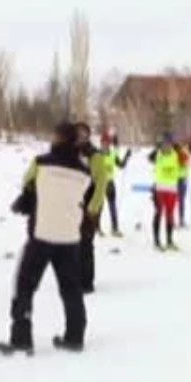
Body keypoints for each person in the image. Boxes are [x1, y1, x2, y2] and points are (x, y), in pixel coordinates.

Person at [0, 122, 95, 355]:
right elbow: (86, 194)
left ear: (57, 139)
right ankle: (75, 336)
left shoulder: (41, 163)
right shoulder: (84, 171)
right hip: (70, 237)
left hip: (41, 234)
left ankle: (21, 338)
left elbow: (27, 182)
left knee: (24, 287)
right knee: (71, 289)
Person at [73, 123, 110, 294]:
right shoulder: (69, 153)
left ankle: (87, 282)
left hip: (91, 201)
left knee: (86, 242)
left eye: (83, 134)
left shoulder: (95, 156)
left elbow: (101, 183)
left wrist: (93, 207)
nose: (80, 137)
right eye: (77, 134)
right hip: (74, 203)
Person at [147, 134, 183, 251]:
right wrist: (157, 148)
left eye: (169, 144)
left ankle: (169, 240)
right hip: (159, 189)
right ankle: (157, 241)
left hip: (172, 189)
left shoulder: (176, 154)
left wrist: (179, 148)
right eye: (164, 144)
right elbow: (149, 157)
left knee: (170, 215)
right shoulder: (157, 154)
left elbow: (187, 159)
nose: (166, 146)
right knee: (158, 212)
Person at [97, 132, 131, 237]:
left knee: (112, 207)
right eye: (103, 143)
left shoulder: (112, 154)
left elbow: (121, 165)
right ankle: (97, 228)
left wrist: (127, 156)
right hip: (99, 183)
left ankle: (115, 228)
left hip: (110, 183)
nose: (105, 145)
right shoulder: (97, 155)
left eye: (107, 143)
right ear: (101, 143)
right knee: (99, 207)